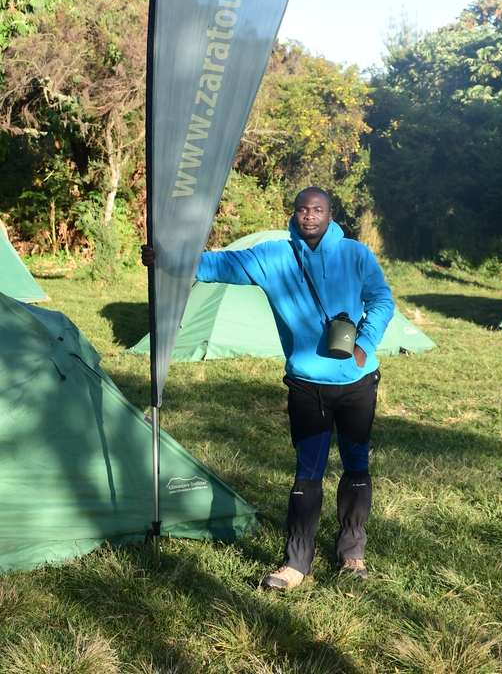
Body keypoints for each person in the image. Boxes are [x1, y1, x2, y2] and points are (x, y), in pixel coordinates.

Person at [142, 186, 394, 591]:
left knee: (356, 467)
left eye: (318, 209)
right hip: (306, 385)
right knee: (307, 474)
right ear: (293, 215)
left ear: (331, 214)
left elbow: (382, 300)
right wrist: (167, 259)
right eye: (302, 209)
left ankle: (352, 553)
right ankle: (296, 563)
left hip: (356, 384)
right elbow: (217, 265)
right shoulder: (273, 256)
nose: (309, 215)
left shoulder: (356, 255)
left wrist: (364, 346)